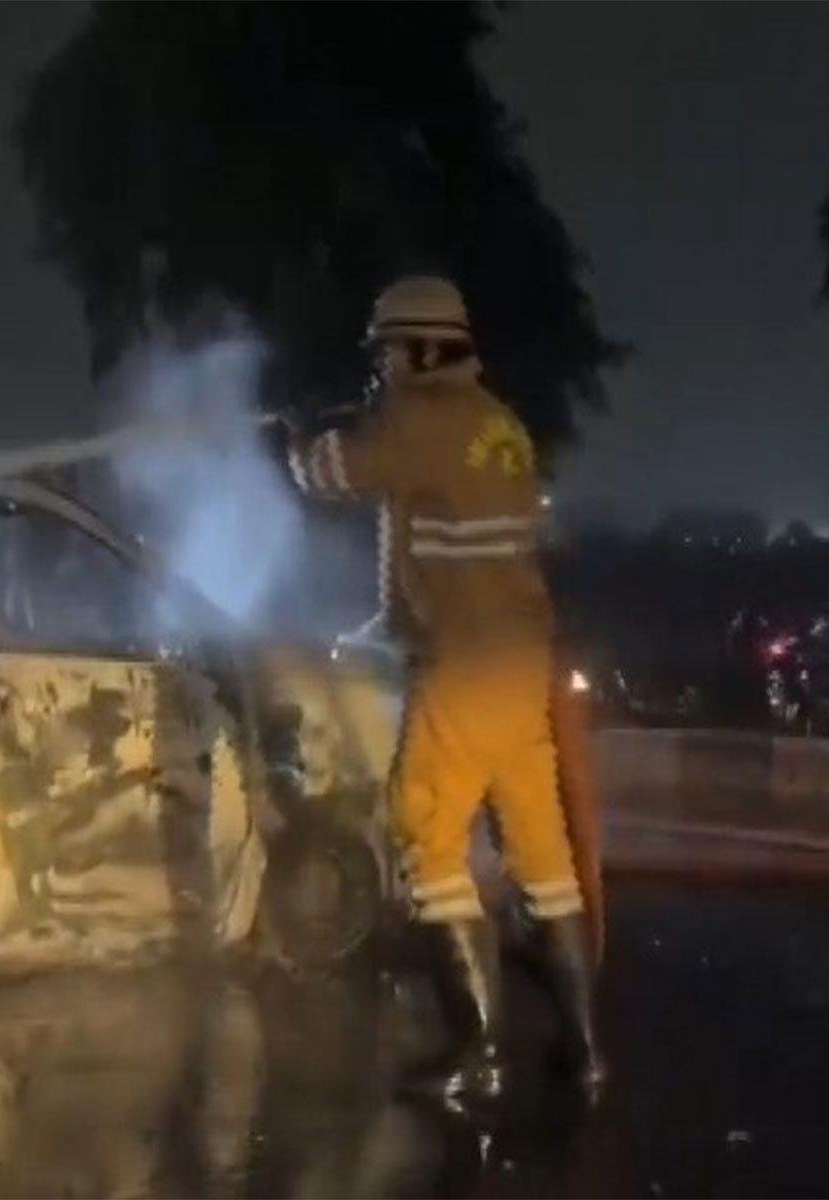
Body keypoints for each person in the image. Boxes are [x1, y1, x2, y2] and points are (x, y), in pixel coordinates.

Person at [284, 276, 605, 1103]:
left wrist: (300, 433)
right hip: (518, 670)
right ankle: (585, 1054)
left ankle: (482, 1058)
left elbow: (331, 474)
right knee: (543, 858)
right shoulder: (500, 426)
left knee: (423, 836)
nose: (382, 365)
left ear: (422, 347)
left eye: (388, 350)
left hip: (460, 671)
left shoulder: (416, 419)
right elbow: (423, 518)